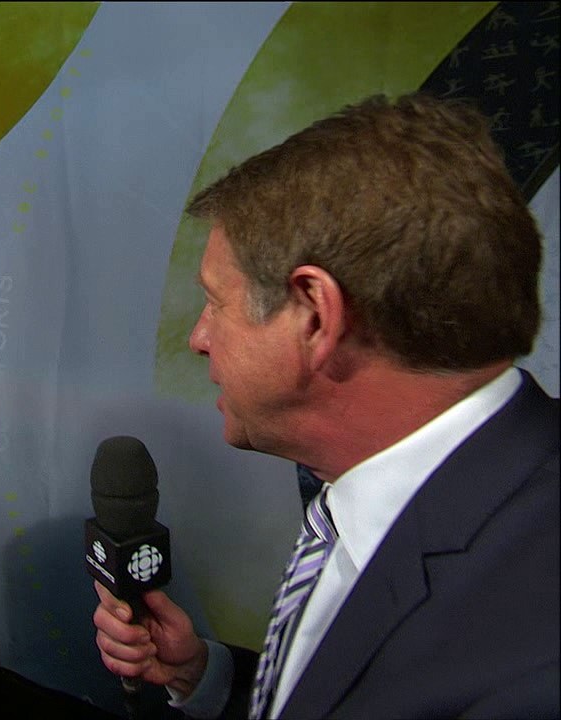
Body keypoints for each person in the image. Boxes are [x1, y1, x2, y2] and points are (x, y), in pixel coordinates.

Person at [94, 92, 559, 718]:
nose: (197, 338)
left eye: (215, 301)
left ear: (315, 316)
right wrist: (208, 677)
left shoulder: (526, 670)